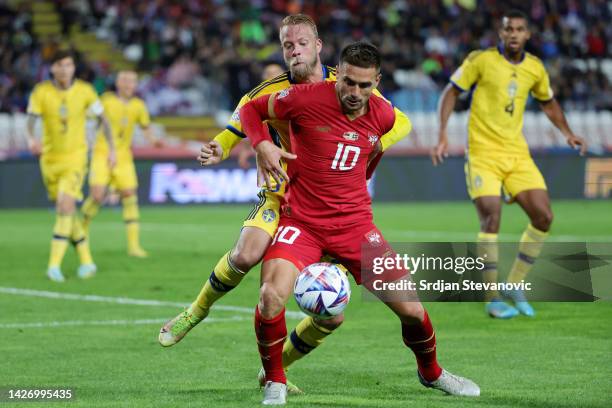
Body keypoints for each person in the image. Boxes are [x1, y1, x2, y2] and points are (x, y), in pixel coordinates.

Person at [158, 14, 412, 393]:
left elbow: (400, 122)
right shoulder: (268, 92)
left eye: (301, 43)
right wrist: (221, 147)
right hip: (282, 194)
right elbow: (239, 124)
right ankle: (195, 312)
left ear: (318, 46)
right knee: (247, 254)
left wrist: (372, 144)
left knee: (331, 315)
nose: (294, 51)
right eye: (287, 45)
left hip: (329, 206)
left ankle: (275, 370)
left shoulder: (346, 83)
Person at [242, 41, 480, 405]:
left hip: (356, 229)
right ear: (338, 74)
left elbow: (373, 153)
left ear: (377, 81)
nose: (355, 93)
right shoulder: (303, 99)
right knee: (271, 296)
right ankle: (275, 380)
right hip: (302, 223)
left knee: (414, 310)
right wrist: (262, 145)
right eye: (348, 82)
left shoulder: (383, 115)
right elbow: (251, 110)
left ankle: (431, 373)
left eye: (364, 85)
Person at [431, 9, 586, 319]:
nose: (514, 33)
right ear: (500, 33)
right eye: (508, 29)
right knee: (492, 217)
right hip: (483, 153)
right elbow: (451, 92)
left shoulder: (535, 68)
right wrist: (443, 134)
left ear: (527, 34)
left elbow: (548, 102)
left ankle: (515, 283)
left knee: (544, 216)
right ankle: (491, 298)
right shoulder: (481, 60)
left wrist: (568, 133)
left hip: (517, 154)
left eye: (519, 29)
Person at [26, 50, 116, 282]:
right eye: (60, 65)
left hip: (75, 158)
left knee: (65, 207)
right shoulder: (41, 92)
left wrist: (113, 150)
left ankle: (53, 266)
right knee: (68, 211)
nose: (65, 69)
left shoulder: (85, 91)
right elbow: (32, 119)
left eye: (68, 65)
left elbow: (103, 119)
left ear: (73, 68)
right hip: (49, 159)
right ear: (53, 68)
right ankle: (87, 261)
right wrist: (31, 139)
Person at [80, 70, 161, 258]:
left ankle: (134, 247)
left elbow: (145, 126)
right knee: (97, 195)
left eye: (132, 81)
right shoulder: (106, 100)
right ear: (117, 83)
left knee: (129, 195)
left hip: (124, 156)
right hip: (102, 152)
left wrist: (153, 140)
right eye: (124, 80)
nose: (128, 84)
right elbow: (89, 120)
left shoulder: (138, 105)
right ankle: (80, 230)